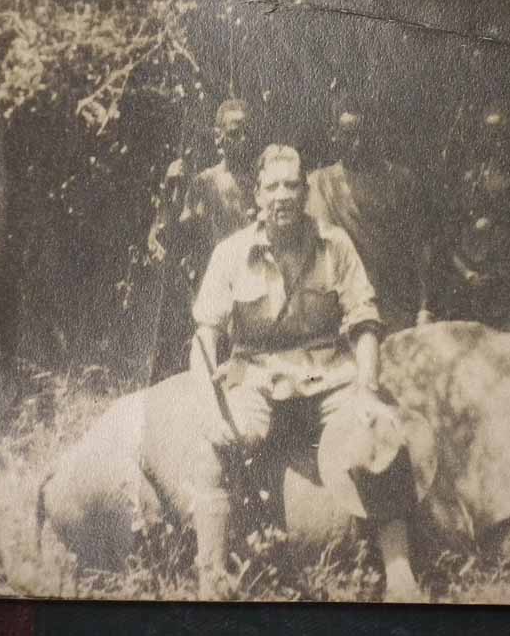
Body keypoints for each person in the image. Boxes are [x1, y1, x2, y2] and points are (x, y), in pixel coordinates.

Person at [188, 144, 423, 601]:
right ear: (256, 194)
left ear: (305, 190)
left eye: (292, 185)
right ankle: (211, 579)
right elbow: (204, 337)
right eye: (272, 186)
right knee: (216, 447)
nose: (282, 196)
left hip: (328, 377)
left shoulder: (334, 245)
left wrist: (369, 390)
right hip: (255, 378)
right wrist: (209, 406)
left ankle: (400, 575)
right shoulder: (231, 253)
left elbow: (364, 319)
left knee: (380, 432)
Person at [147, 98, 257, 381]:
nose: (242, 141)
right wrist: (171, 187)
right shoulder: (205, 183)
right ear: (219, 137)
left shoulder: (263, 180)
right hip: (220, 291)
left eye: (247, 132)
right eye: (234, 133)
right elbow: (174, 238)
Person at [306, 109, 436, 332]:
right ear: (333, 133)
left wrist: (424, 307)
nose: (357, 143)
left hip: (394, 305)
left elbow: (419, 246)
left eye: (363, 134)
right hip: (342, 309)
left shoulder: (399, 180)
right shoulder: (318, 183)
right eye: (348, 134)